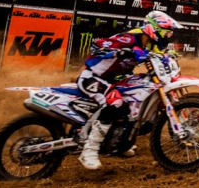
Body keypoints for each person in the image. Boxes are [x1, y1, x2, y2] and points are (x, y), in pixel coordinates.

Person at [77, 10, 182, 170]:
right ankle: (89, 151)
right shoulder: (128, 38)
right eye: (167, 32)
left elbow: (153, 56)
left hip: (112, 80)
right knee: (116, 103)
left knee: (134, 103)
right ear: (155, 29)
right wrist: (117, 52)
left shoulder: (146, 44)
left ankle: (119, 144)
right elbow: (95, 47)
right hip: (92, 77)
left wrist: (167, 56)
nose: (168, 36)